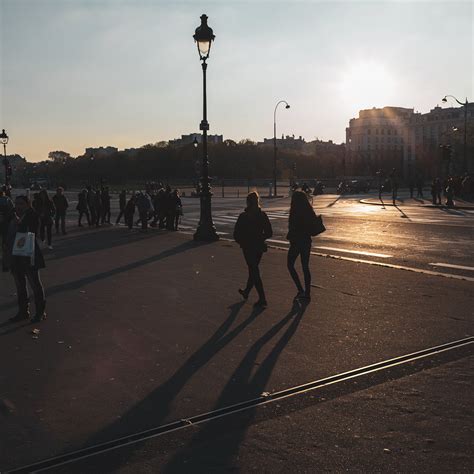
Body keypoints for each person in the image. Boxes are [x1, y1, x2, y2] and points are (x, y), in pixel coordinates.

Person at [3, 195, 46, 323]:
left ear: (28, 204)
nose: (18, 206)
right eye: (16, 204)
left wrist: (20, 223)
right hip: (16, 256)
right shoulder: (13, 217)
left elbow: (33, 232)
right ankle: (23, 311)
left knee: (35, 284)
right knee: (20, 285)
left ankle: (40, 312)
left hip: (29, 254)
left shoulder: (32, 215)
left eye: (21, 204)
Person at [233, 192, 273, 308]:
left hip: (247, 247)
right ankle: (246, 291)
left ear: (248, 202)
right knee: (253, 269)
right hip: (259, 246)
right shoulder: (262, 215)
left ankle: (262, 298)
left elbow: (236, 234)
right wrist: (261, 237)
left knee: (254, 269)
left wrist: (242, 241)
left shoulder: (243, 216)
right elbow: (269, 232)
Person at [286, 190, 316, 302]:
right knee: (305, 266)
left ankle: (300, 289)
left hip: (296, 242)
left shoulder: (294, 211)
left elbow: (292, 228)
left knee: (290, 264)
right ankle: (307, 293)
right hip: (307, 241)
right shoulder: (309, 210)